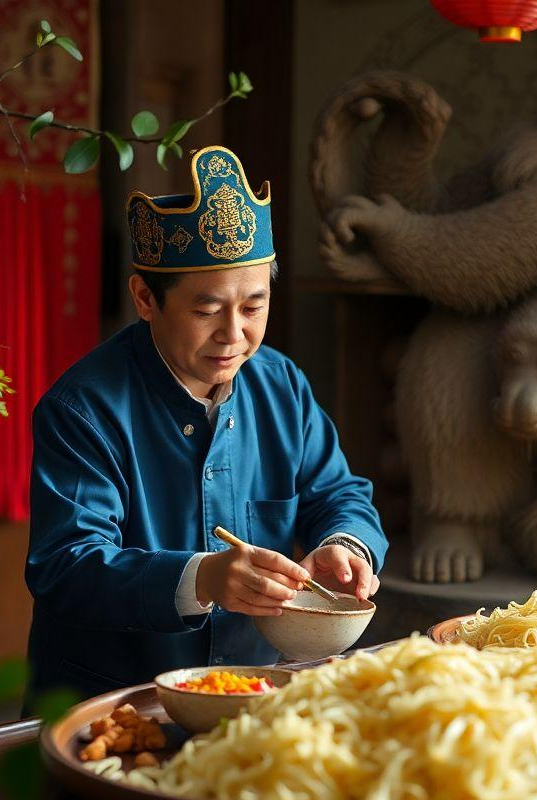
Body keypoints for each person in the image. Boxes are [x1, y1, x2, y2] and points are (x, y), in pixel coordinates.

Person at [24, 146, 386, 700]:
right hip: (117, 702)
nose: (233, 334)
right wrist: (202, 578)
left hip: (254, 693)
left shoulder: (280, 384)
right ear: (145, 299)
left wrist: (347, 546)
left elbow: (339, 492)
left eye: (253, 307)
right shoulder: (84, 409)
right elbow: (66, 565)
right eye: (206, 309)